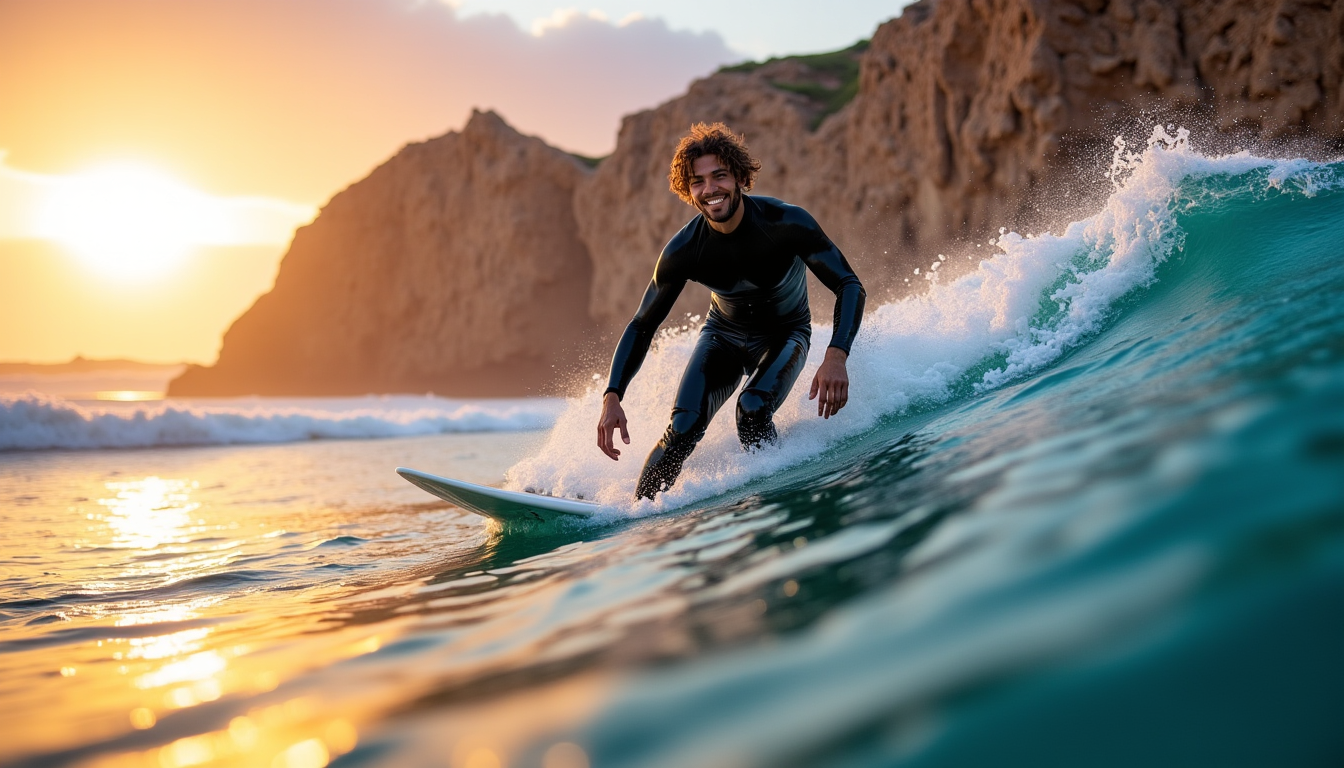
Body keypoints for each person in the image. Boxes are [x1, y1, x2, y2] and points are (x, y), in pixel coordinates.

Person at [596, 122, 865, 500]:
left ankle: (776, 499)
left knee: (752, 408)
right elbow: (642, 324)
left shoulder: (786, 223)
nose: (710, 190)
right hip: (722, 336)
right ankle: (635, 513)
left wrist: (836, 354)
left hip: (786, 333)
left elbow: (849, 284)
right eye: (697, 181)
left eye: (719, 176)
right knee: (683, 428)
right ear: (687, 191)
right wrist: (612, 396)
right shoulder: (684, 250)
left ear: (739, 177)